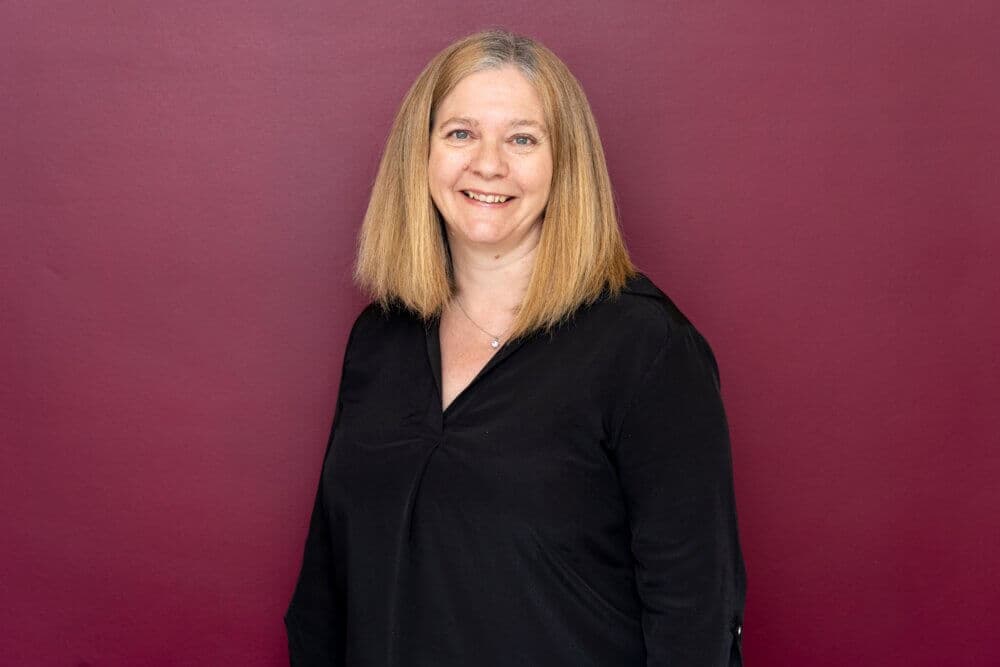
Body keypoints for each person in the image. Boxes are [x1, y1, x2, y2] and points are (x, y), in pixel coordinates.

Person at [284, 28, 747, 666]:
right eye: (461, 133)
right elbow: (325, 592)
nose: (489, 164)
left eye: (523, 138)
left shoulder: (647, 350)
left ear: (566, 165)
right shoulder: (380, 338)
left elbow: (696, 616)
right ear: (420, 155)